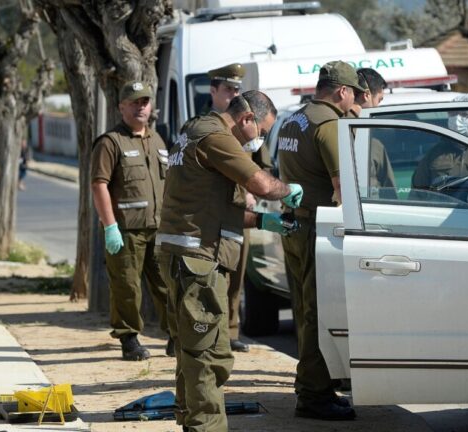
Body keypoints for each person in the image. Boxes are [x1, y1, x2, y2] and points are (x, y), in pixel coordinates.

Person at [156, 90, 302, 432]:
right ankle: (205, 426)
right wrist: (287, 190)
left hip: (192, 255)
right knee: (207, 354)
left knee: (200, 350)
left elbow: (214, 206)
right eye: (262, 132)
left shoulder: (197, 130)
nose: (261, 140)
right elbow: (260, 184)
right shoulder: (217, 137)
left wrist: (263, 222)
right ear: (246, 119)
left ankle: (192, 418)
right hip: (196, 259)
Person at [277, 60, 365, 421]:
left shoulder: (294, 119)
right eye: (353, 94)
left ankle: (313, 385)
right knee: (317, 315)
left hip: (295, 225)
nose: (355, 100)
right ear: (342, 91)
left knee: (304, 311)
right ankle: (314, 395)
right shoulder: (328, 125)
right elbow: (342, 187)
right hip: (317, 228)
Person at [90, 80, 171, 361]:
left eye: (145, 102)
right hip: (126, 230)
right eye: (135, 102)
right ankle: (129, 339)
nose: (141, 107)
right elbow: (99, 184)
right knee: (127, 286)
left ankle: (175, 336)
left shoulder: (158, 140)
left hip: (158, 228)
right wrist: (109, 225)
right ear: (121, 106)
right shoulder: (111, 142)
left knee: (167, 284)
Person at [204, 63, 272, 353]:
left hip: (242, 209)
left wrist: (252, 191)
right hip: (214, 212)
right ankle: (210, 332)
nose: (233, 93)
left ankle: (231, 330)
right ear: (214, 91)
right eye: (228, 89)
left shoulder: (250, 127)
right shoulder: (207, 127)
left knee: (237, 271)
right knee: (213, 276)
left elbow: (262, 165)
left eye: (237, 89)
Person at [348, 68, 397, 199]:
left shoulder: (332, 127)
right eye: (379, 100)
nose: (378, 107)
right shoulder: (372, 145)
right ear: (366, 95)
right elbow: (390, 193)